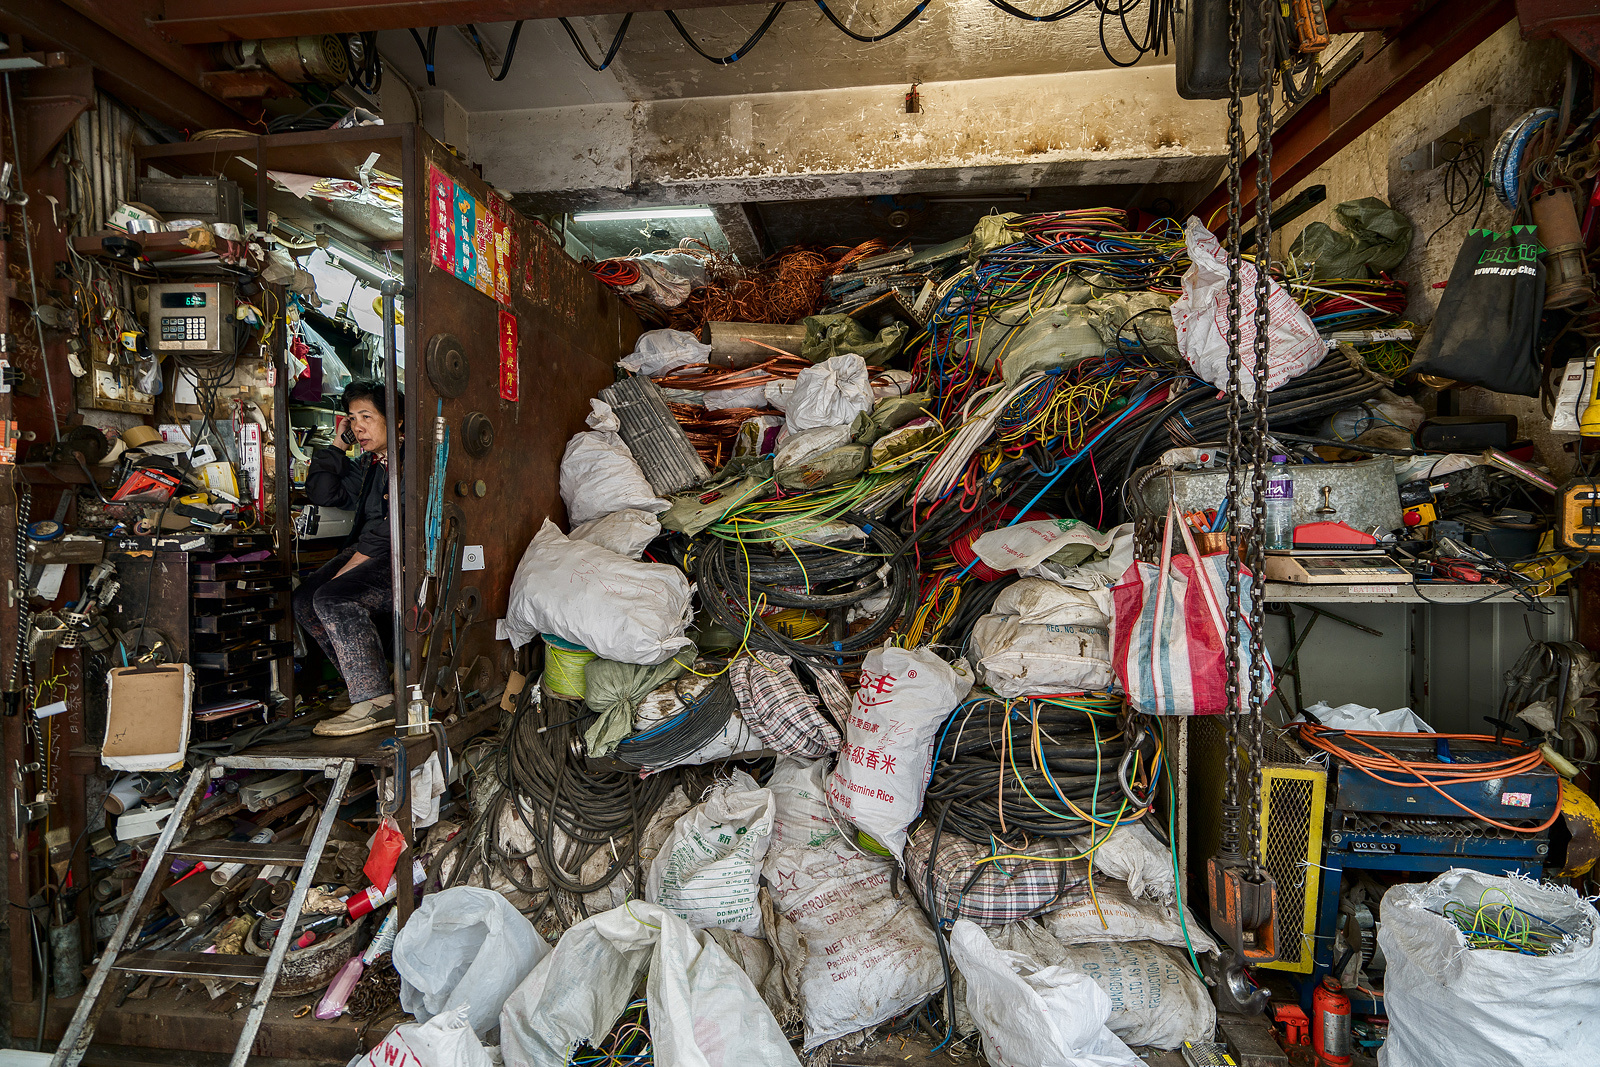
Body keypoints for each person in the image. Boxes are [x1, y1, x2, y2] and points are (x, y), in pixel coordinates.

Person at [293, 380, 403, 736]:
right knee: (304, 599)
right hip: (368, 552)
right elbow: (322, 491)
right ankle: (365, 684)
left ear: (396, 419)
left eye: (367, 417)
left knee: (333, 597)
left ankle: (375, 700)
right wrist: (339, 443)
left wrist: (351, 566)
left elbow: (393, 529)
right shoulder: (371, 465)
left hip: (399, 559)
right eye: (353, 419)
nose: (358, 426)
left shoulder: (409, 462)